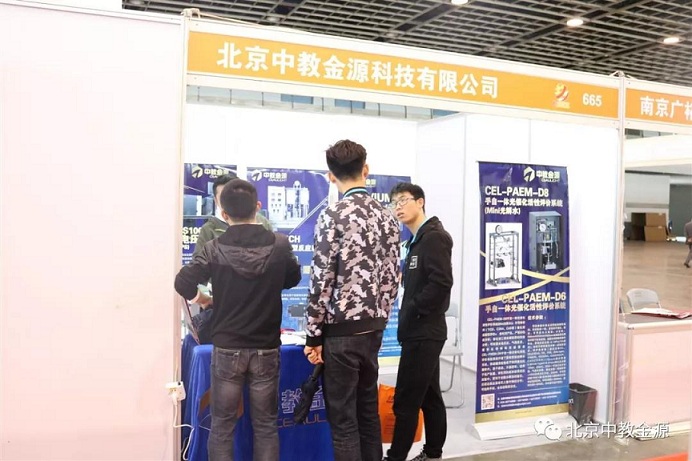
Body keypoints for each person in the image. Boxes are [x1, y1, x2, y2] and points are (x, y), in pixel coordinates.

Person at [175, 179, 301, 461]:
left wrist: (203, 299)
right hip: (266, 346)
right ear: (258, 206)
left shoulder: (213, 247)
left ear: (224, 212)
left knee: (222, 427)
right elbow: (292, 278)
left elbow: (183, 282)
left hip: (227, 346)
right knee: (266, 426)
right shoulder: (279, 244)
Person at [304, 139, 400, 461]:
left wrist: (313, 335)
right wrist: (381, 317)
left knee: (344, 421)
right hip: (373, 329)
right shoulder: (388, 217)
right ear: (366, 170)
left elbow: (321, 279)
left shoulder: (332, 215)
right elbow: (393, 276)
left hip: (341, 332)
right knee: (367, 412)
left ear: (331, 176)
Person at [384, 183, 453, 461]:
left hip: (424, 331)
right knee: (429, 396)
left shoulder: (434, 237)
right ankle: (433, 453)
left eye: (403, 200)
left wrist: (413, 308)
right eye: (394, 203)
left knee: (406, 400)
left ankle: (396, 456)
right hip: (419, 330)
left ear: (420, 202)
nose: (398, 207)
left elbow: (441, 283)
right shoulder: (416, 241)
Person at [193, 173, 272, 258]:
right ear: (215, 201)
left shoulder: (263, 223)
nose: (229, 201)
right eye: (223, 197)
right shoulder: (209, 229)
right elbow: (198, 261)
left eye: (234, 197)